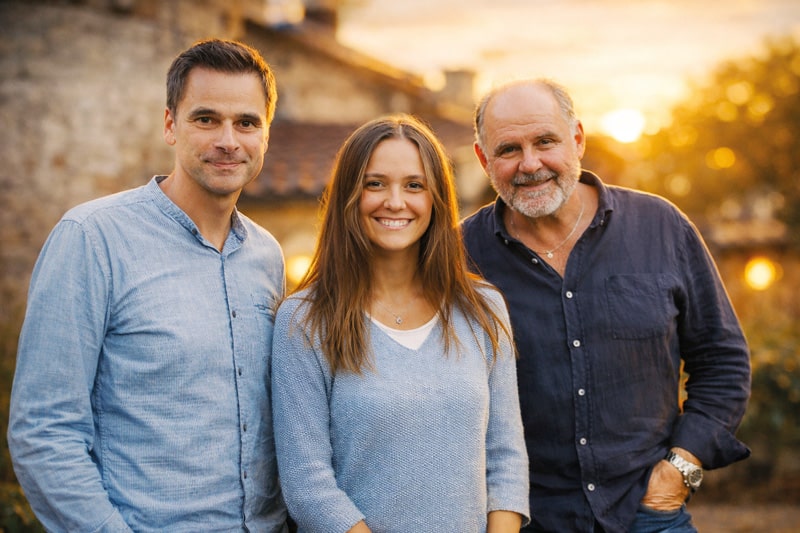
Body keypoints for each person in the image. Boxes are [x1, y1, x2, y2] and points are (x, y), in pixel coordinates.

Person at [7, 39, 288, 532]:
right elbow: (44, 434)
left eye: (246, 122)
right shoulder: (92, 239)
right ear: (169, 125)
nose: (228, 140)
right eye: (206, 119)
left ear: (266, 135)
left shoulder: (267, 256)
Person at [461, 79, 751, 533]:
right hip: (523, 521)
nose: (530, 163)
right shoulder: (458, 257)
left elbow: (722, 361)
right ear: (483, 159)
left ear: (577, 139)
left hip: (650, 513)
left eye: (545, 141)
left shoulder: (661, 227)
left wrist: (679, 471)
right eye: (508, 150)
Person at [271, 114, 530, 532]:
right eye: (375, 184)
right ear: (348, 197)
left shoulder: (483, 308)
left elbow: (505, 460)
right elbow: (307, 482)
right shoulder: (306, 320)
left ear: (436, 199)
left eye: (414, 185)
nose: (395, 201)